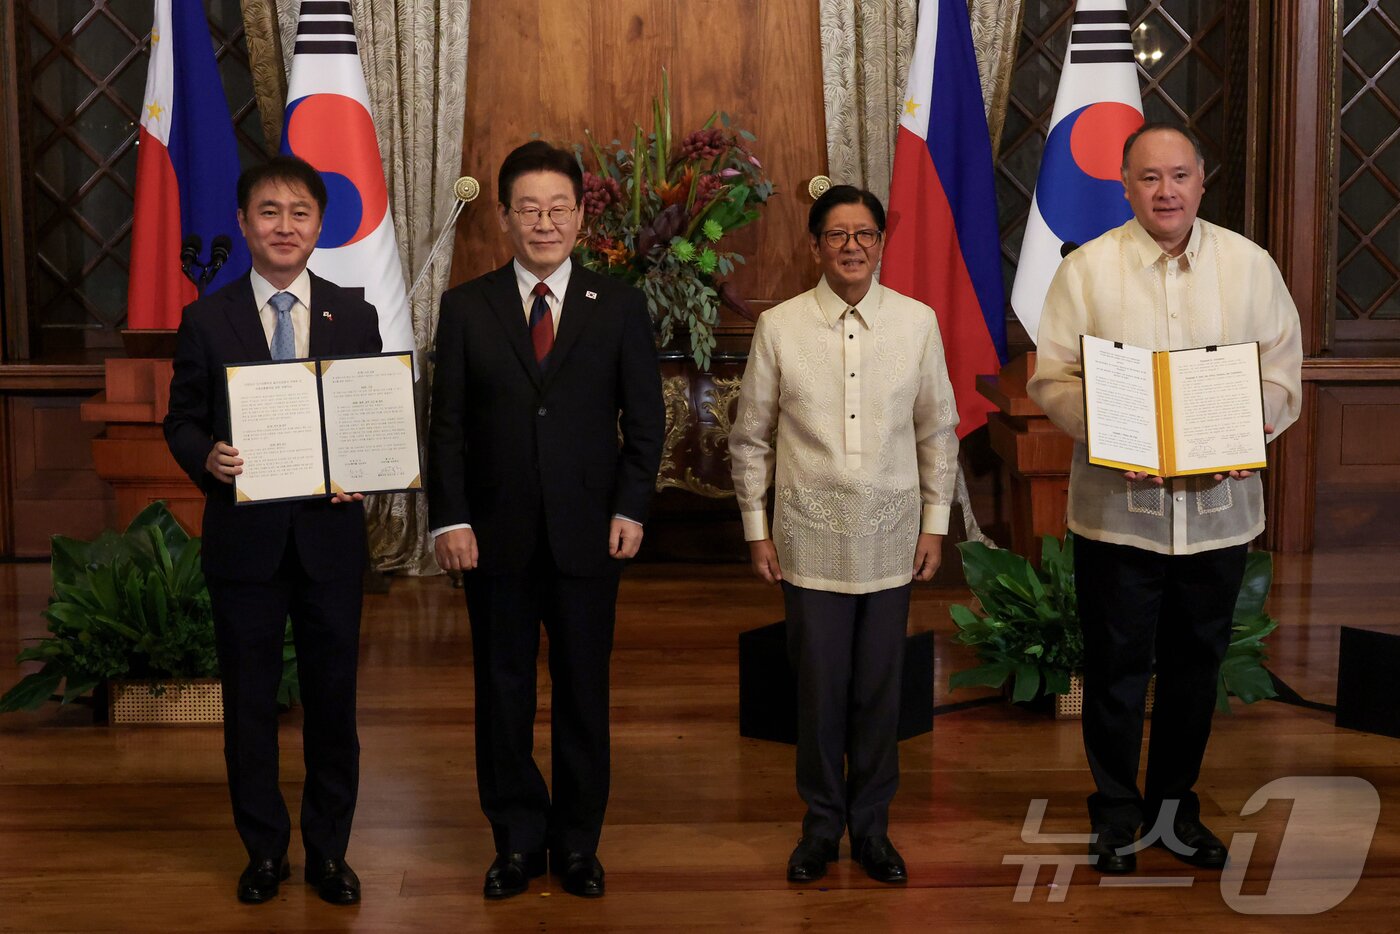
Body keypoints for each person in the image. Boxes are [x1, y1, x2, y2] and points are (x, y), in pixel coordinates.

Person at [1027, 123, 1303, 874]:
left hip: (1219, 514)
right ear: (1124, 184)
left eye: (1179, 175)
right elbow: (1051, 379)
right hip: (1119, 511)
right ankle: (1116, 815)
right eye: (1149, 178)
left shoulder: (1250, 267)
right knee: (1115, 668)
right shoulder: (1086, 272)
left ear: (1203, 180)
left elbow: (1283, 377)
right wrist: (1116, 435)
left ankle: (1176, 811)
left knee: (1194, 670)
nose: (1166, 191)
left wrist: (1243, 435)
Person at [427, 140, 665, 900]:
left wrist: (631, 505)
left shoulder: (618, 304)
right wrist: (449, 520)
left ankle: (576, 845)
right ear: (503, 217)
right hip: (493, 537)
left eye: (558, 208)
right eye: (528, 209)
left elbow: (647, 422)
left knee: (583, 691)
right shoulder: (467, 305)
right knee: (501, 693)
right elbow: (448, 427)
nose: (543, 222)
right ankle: (516, 841)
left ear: (581, 214)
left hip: (589, 533)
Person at [164, 155, 381, 905]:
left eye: (299, 213)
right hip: (245, 544)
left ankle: (329, 852)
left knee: (333, 704)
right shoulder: (206, 318)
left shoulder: (354, 313)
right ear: (243, 223)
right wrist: (208, 457)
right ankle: (263, 851)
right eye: (269, 211)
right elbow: (181, 419)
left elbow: (366, 412)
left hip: (329, 541)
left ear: (320, 226)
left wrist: (365, 462)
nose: (284, 225)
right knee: (250, 706)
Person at [728, 185, 960, 885]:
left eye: (864, 233)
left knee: (880, 695)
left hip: (892, 540)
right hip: (808, 540)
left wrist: (935, 524)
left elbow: (937, 432)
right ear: (815, 247)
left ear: (882, 242)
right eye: (837, 235)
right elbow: (750, 440)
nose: (852, 245)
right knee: (819, 692)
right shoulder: (782, 327)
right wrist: (756, 530)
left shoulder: (916, 323)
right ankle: (821, 826)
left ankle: (874, 829)